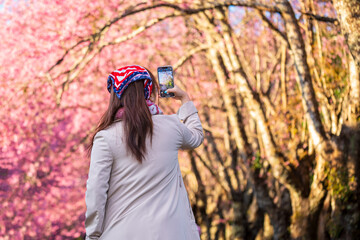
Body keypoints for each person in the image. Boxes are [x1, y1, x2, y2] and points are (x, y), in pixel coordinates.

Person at [85, 65, 204, 240]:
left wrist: (93, 235)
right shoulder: (171, 126)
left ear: (115, 98)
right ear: (148, 91)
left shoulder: (106, 138)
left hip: (122, 233)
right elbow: (196, 137)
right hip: (171, 233)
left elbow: (96, 191)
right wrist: (185, 99)